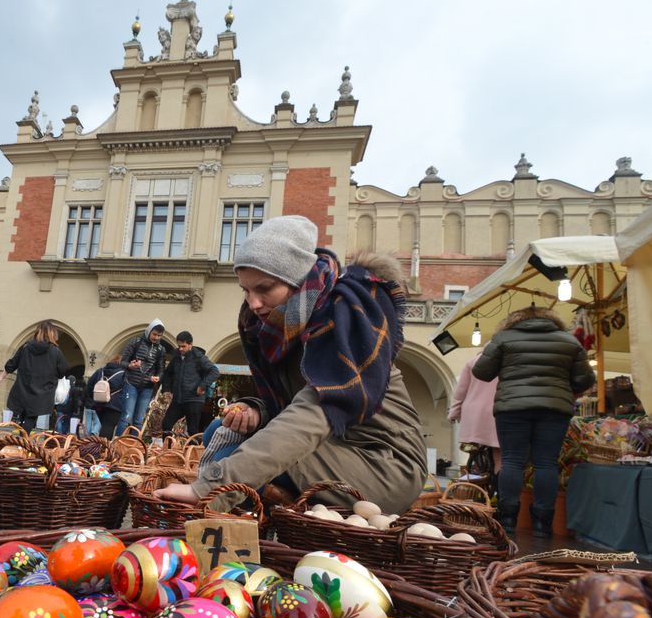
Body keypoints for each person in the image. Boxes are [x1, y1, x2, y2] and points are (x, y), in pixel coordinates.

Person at [154, 215, 427, 513]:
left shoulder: (345, 322)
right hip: (333, 445)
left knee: (232, 455)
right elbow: (290, 403)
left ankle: (241, 532)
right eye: (246, 290)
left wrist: (207, 488)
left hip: (383, 464)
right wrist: (257, 410)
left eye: (264, 288)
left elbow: (312, 414)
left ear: (296, 282)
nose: (253, 303)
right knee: (218, 429)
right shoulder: (283, 327)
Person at [473, 306, 594, 538]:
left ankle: (508, 520)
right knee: (546, 464)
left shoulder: (503, 338)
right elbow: (584, 379)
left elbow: (482, 372)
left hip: (512, 408)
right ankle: (542, 524)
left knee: (511, 461)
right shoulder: (568, 341)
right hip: (555, 409)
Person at [0, 320, 69, 432]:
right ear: (52, 334)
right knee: (31, 418)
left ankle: (21, 440)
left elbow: (12, 363)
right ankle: (22, 442)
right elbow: (63, 371)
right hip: (42, 391)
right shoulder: (56, 352)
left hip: (23, 388)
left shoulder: (25, 347)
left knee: (23, 415)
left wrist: (0, 377)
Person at [447, 351, 502, 476]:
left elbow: (460, 392)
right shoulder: (509, 361)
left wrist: (454, 412)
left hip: (474, 414)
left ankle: (480, 481)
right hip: (498, 410)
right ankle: (498, 490)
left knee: (475, 451)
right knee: (501, 457)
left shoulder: (473, 361)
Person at [161, 331, 221, 435]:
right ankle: (167, 449)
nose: (180, 349)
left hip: (194, 399)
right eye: (179, 346)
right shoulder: (176, 357)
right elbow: (167, 374)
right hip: (178, 399)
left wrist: (202, 386)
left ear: (190, 345)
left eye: (183, 346)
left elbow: (214, 371)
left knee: (192, 430)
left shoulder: (199, 357)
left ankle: (192, 451)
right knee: (166, 424)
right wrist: (166, 389)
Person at [118, 319, 166, 434]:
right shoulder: (135, 342)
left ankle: (135, 446)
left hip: (147, 387)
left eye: (159, 335)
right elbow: (122, 362)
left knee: (139, 420)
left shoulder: (161, 349)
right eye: (154, 334)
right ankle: (117, 443)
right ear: (149, 331)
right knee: (126, 417)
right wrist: (130, 365)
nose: (156, 337)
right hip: (130, 383)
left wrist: (158, 377)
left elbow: (161, 370)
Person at [85, 355, 128, 438]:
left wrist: (93, 398)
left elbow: (89, 386)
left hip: (99, 404)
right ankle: (103, 447)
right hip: (115, 405)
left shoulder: (100, 371)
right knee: (108, 426)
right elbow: (126, 390)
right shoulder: (123, 374)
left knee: (104, 425)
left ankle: (101, 446)